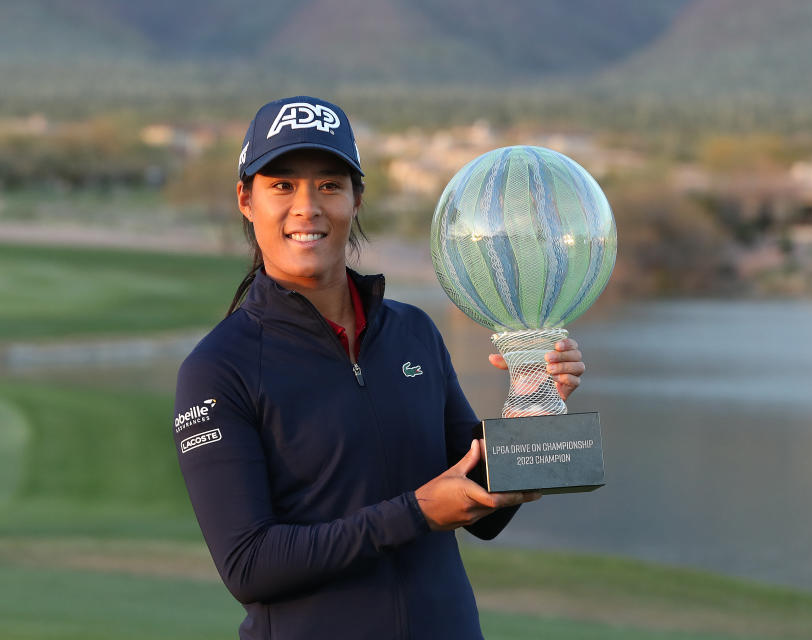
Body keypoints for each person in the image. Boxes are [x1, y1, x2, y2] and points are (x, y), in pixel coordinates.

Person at [173, 96, 585, 639]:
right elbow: (250, 565)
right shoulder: (218, 368)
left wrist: (534, 405)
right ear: (246, 201)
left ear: (356, 199)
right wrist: (416, 513)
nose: (307, 207)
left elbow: (484, 502)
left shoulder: (413, 333)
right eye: (282, 186)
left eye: (329, 185)